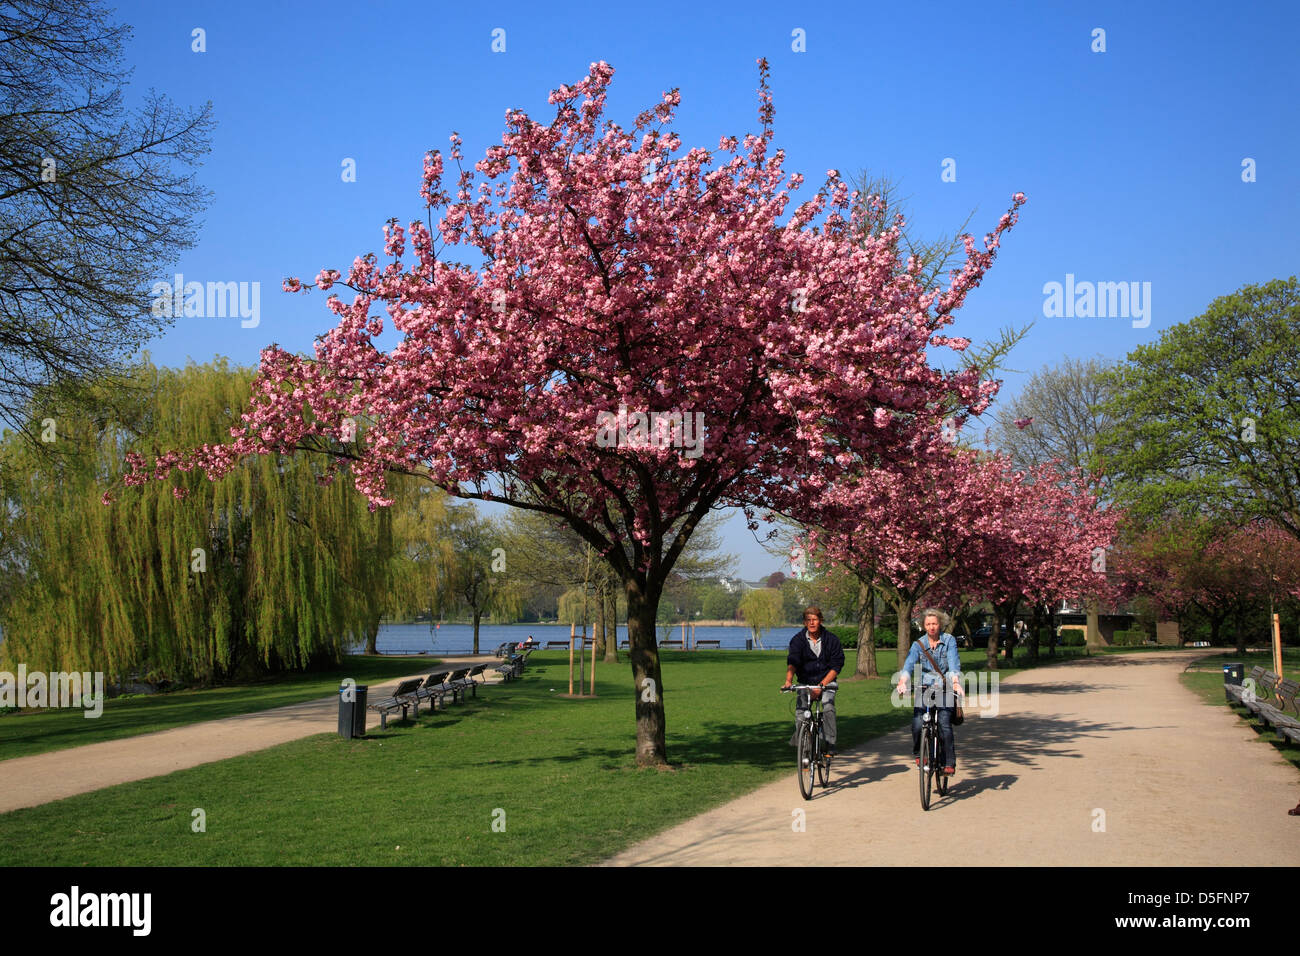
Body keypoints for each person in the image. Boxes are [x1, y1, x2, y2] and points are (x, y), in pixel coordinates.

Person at [896, 609, 963, 775]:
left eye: (934, 623)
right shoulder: (918, 644)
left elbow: (954, 663)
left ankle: (948, 763)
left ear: (940, 624)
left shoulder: (949, 641)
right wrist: (902, 681)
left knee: (944, 724)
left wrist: (955, 682)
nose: (931, 627)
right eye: (928, 624)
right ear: (923, 626)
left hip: (945, 686)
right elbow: (909, 665)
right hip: (925, 687)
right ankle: (920, 754)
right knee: (918, 723)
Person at [783, 606, 844, 757]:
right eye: (808, 620)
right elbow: (793, 661)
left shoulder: (831, 640)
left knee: (828, 706)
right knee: (800, 713)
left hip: (827, 683)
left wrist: (822, 685)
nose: (812, 623)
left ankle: (830, 742)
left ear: (820, 621)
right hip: (806, 683)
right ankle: (804, 751)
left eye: (815, 620)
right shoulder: (797, 640)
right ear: (804, 623)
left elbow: (837, 665)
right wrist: (788, 681)